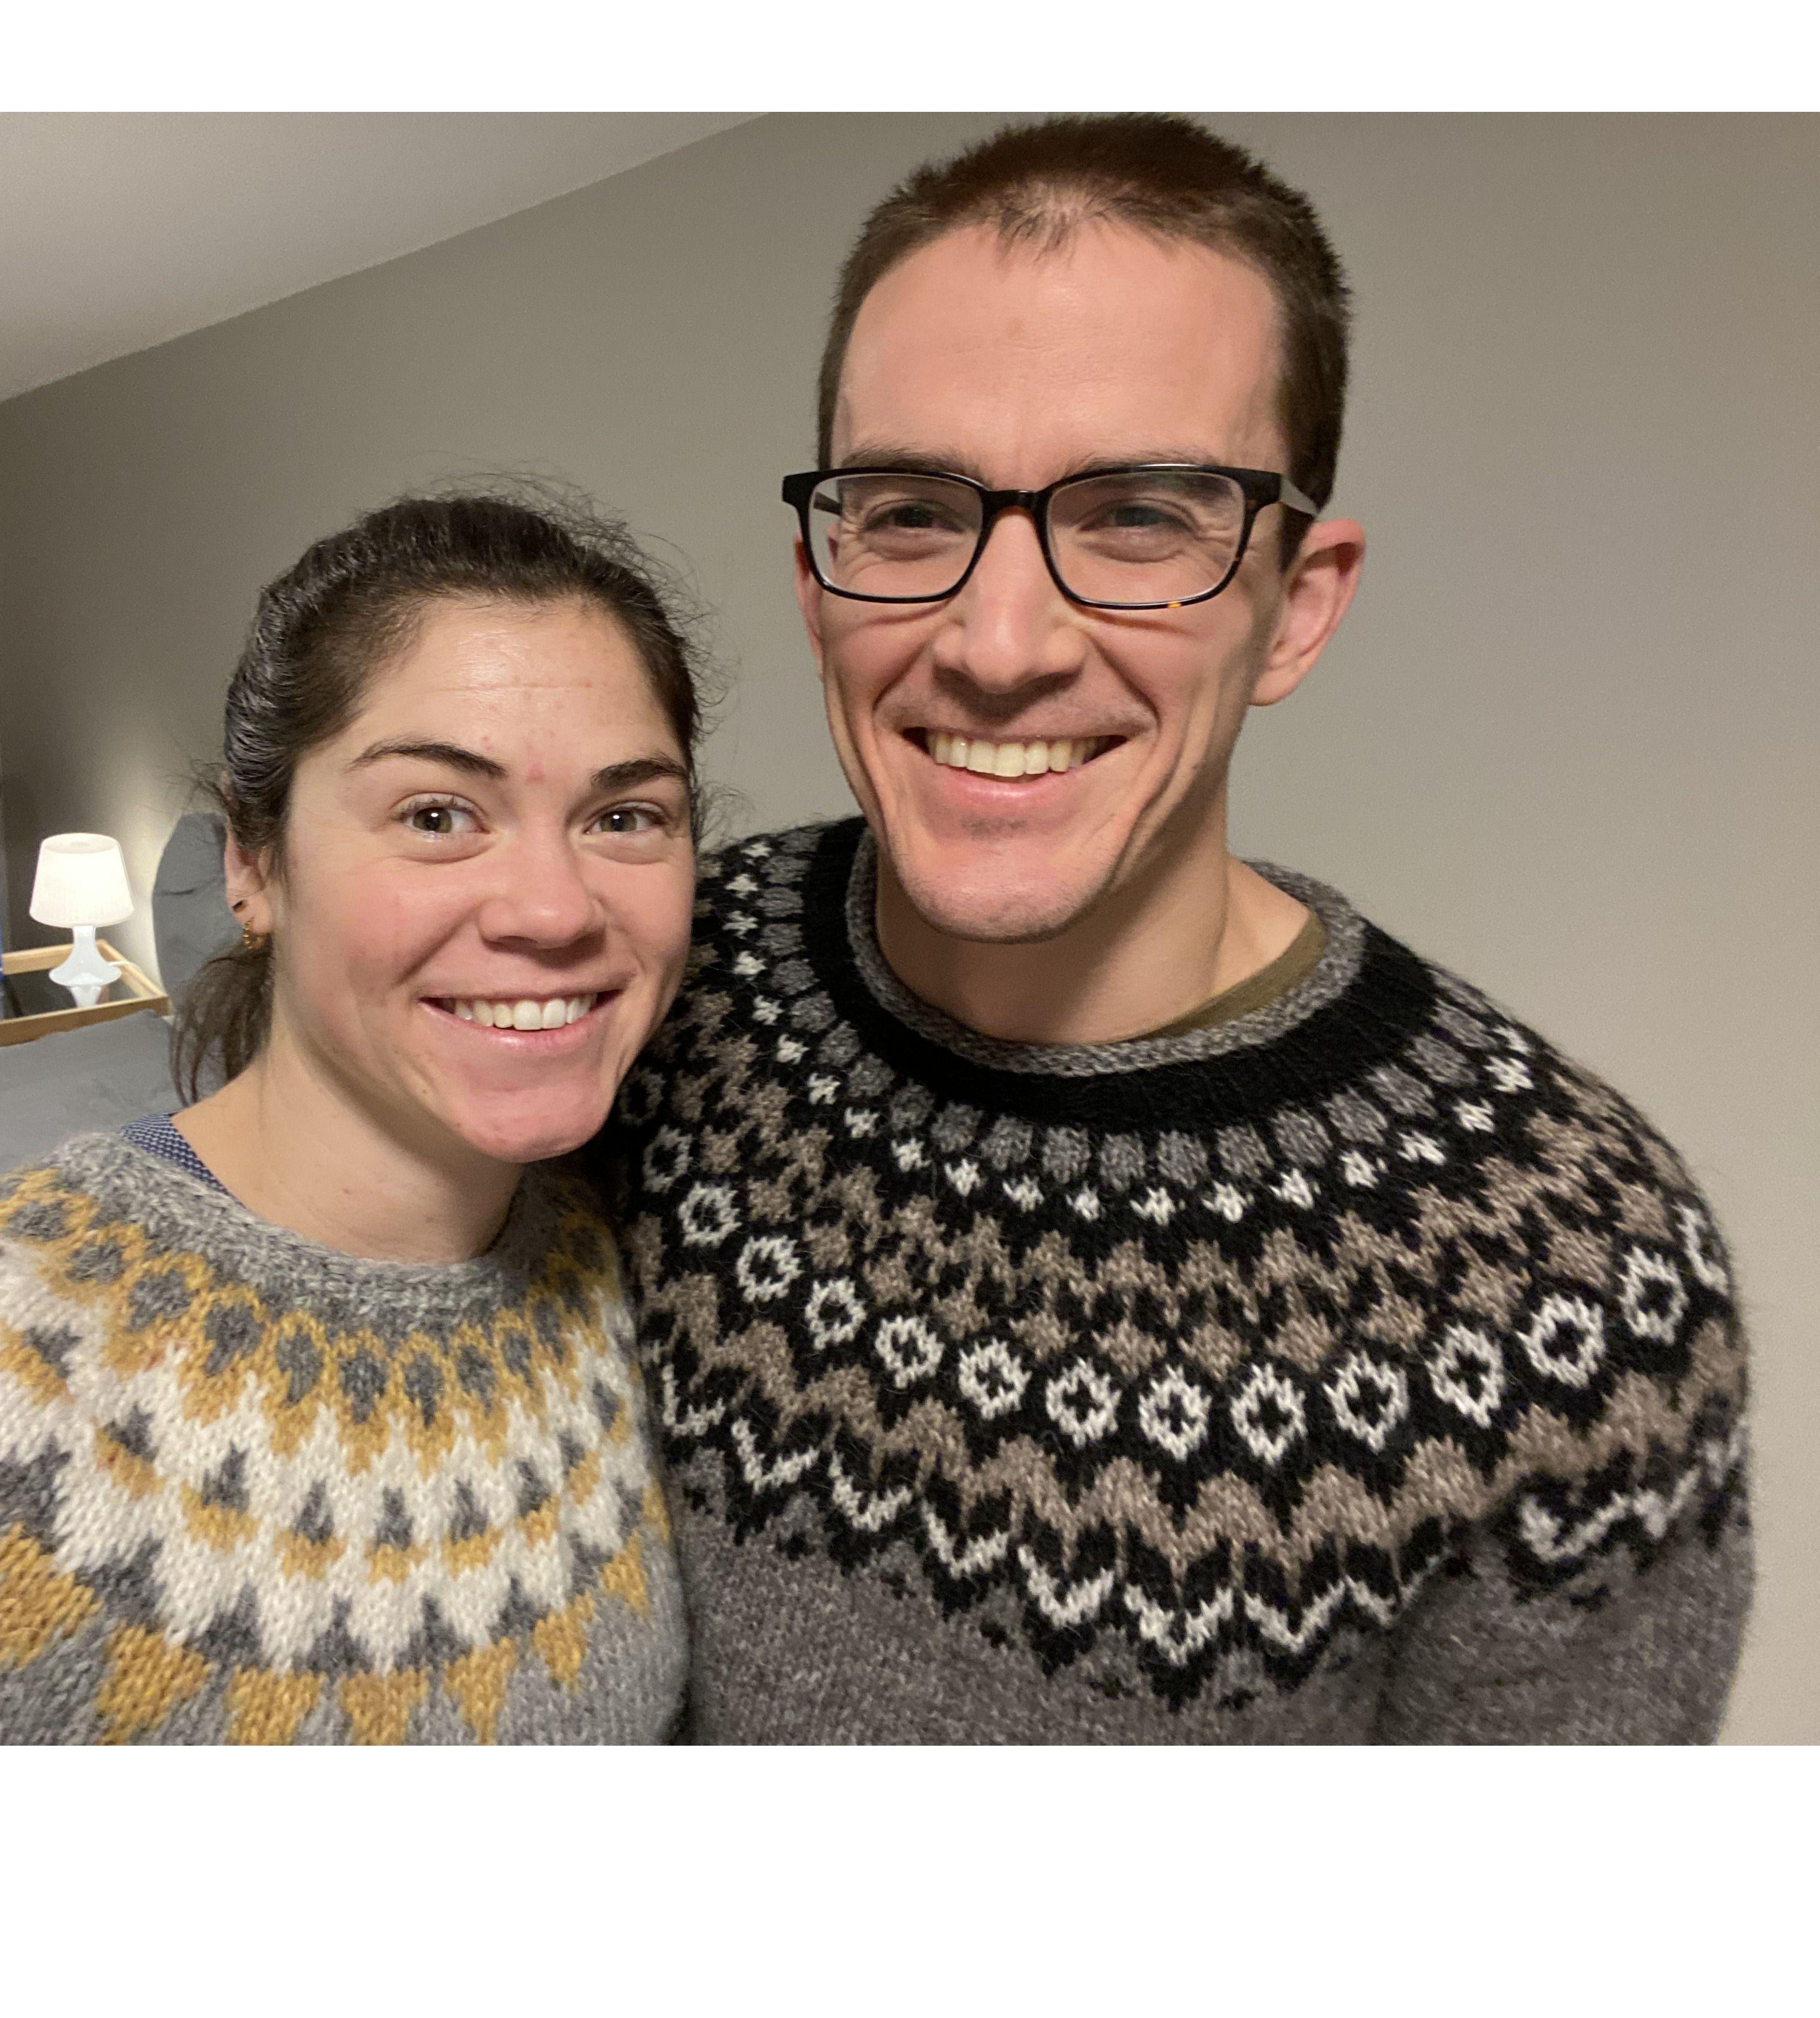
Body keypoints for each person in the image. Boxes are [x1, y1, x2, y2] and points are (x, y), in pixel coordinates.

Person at [606, 116, 1754, 1743]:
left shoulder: (1570, 1277)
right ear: (817, 584)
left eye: (1141, 516)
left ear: (1298, 603)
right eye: (914, 512)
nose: (999, 643)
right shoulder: (642, 988)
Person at [0, 491, 701, 1744]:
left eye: (626, 816)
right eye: (435, 815)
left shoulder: (647, 1274)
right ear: (252, 865)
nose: (553, 909)